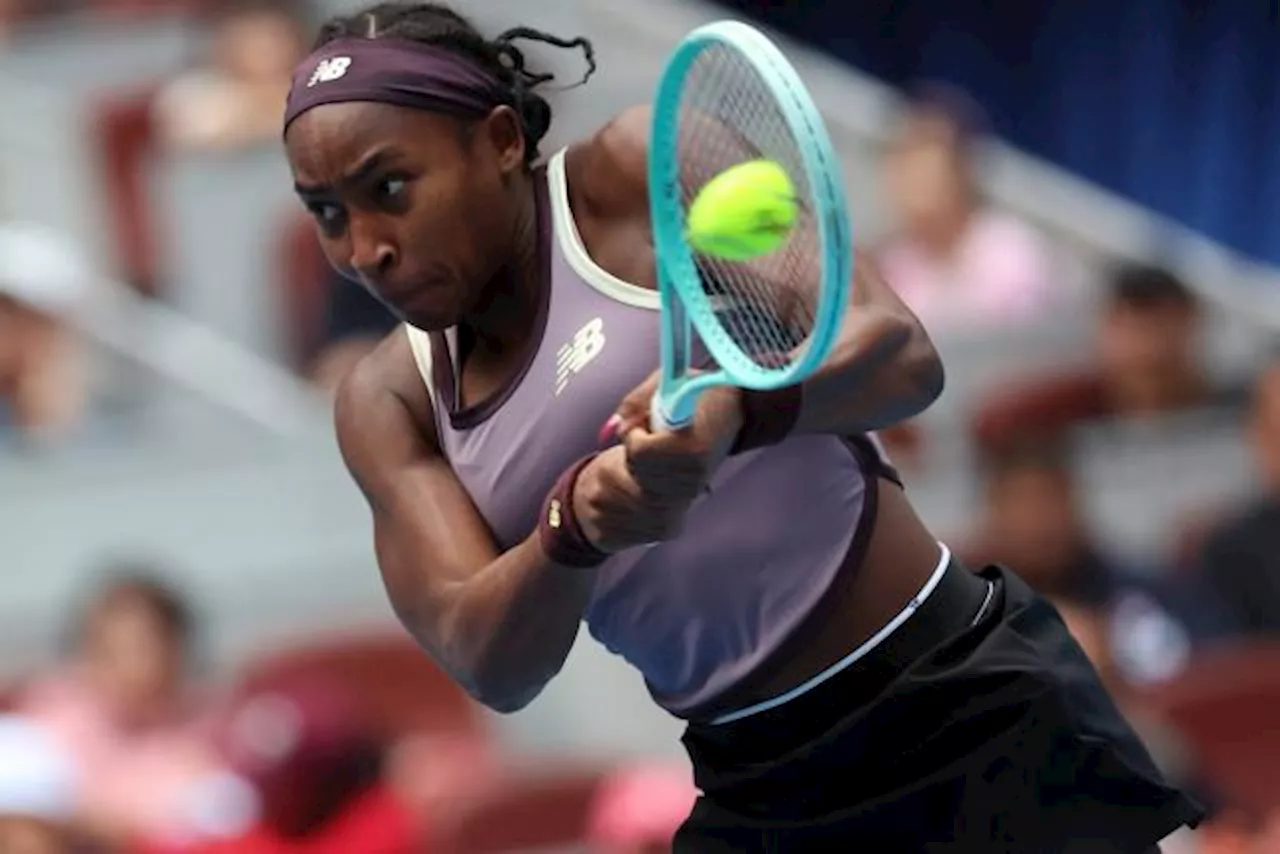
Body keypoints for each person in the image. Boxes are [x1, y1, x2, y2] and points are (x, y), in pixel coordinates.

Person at [280, 3, 1204, 850]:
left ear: (500, 141)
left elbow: (900, 354)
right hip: (759, 791)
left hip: (961, 698)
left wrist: (741, 412)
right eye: (327, 214)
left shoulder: (645, 163)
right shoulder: (386, 401)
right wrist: (576, 528)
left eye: (390, 188)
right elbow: (487, 658)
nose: (365, 250)